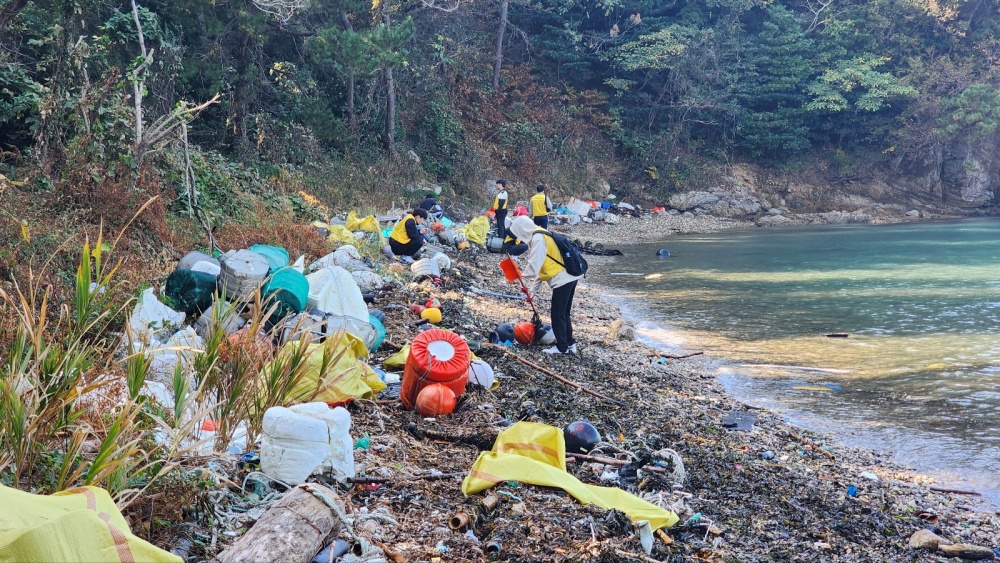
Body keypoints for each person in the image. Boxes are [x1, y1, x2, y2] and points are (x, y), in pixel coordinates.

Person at [509, 216, 580, 355]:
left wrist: (519, 276)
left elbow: (534, 266)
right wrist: (532, 291)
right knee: (564, 313)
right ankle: (570, 344)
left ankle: (562, 347)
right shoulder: (540, 233)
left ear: (522, 230)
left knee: (557, 314)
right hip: (571, 276)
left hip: (563, 279)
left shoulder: (538, 239)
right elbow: (542, 269)